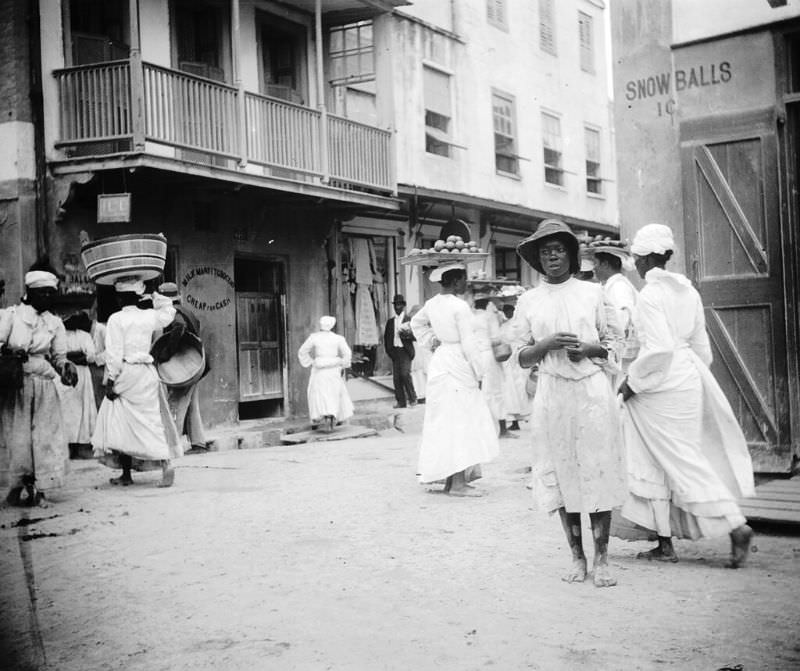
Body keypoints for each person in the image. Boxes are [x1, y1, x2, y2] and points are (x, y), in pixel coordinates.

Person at [616, 223, 755, 567]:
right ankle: (665, 543)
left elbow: (660, 348)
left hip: (661, 385)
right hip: (687, 376)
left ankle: (735, 524)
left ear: (648, 258)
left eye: (637, 257)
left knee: (675, 460)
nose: (637, 263)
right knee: (668, 458)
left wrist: (633, 382)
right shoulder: (688, 292)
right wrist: (689, 372)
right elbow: (701, 348)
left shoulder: (651, 295)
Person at [515, 219, 625, 587]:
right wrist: (545, 345)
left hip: (591, 391)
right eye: (545, 252)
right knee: (561, 471)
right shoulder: (529, 301)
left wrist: (590, 349)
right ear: (538, 259)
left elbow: (614, 342)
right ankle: (577, 557)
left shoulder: (592, 294)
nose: (552, 257)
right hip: (552, 393)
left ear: (570, 255)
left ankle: (603, 558)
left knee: (596, 467)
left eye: (558, 250)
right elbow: (520, 355)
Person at [411, 263, 499, 497]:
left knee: (445, 420)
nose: (466, 283)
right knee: (461, 420)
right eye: (464, 279)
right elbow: (469, 343)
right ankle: (458, 483)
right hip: (458, 360)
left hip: (441, 361)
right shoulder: (460, 306)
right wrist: (479, 371)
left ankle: (451, 480)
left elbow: (415, 323)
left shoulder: (431, 303)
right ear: (456, 280)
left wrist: (431, 341)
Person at [91, 278, 181, 487]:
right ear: (138, 295)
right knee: (151, 420)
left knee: (121, 421)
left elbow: (114, 353)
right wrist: (155, 296)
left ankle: (126, 474)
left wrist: (110, 381)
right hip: (147, 373)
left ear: (120, 297)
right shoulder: (149, 316)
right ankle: (165, 462)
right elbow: (169, 312)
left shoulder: (116, 319)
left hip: (127, 372)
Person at [0, 269, 77, 506]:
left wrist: (66, 367)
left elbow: (59, 357)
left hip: (43, 384)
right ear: (29, 292)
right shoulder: (11, 316)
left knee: (44, 437)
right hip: (16, 383)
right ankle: (16, 489)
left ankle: (41, 490)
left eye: (50, 293)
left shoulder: (54, 323)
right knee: (18, 438)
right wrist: (10, 351)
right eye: (43, 293)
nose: (47, 298)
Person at [153, 282, 209, 453]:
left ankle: (173, 445)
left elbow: (179, 327)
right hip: (194, 364)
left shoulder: (175, 313)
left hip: (183, 369)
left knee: (176, 405)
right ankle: (198, 443)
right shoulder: (187, 311)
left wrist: (168, 352)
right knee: (191, 404)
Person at [297, 315, 354, 432]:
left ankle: (325, 416)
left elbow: (302, 351)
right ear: (332, 325)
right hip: (333, 369)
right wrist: (343, 364)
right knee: (333, 393)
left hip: (320, 369)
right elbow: (347, 353)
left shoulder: (314, 337)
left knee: (321, 393)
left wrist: (311, 362)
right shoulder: (338, 338)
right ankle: (331, 417)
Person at [54, 311, 98, 458]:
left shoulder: (84, 336)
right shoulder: (58, 335)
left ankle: (77, 447)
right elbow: (57, 356)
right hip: (64, 374)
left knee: (81, 410)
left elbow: (90, 357)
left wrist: (71, 356)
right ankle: (65, 446)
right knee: (65, 409)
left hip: (82, 376)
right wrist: (76, 355)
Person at [592, 245, 639, 384]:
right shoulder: (612, 286)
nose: (593, 268)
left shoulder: (619, 287)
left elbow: (623, 318)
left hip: (623, 358)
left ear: (605, 264)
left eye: (596, 263)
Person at [471, 291, 513, 437]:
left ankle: (485, 428)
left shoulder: (472, 318)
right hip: (489, 356)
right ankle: (502, 429)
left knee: (483, 391)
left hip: (477, 357)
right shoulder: (490, 317)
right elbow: (495, 339)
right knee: (497, 391)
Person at [499, 303, 529, 431]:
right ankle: (513, 419)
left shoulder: (519, 324)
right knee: (510, 390)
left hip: (518, 358)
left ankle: (520, 416)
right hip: (507, 359)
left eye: (509, 310)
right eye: (505, 310)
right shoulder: (504, 325)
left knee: (520, 388)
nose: (507, 312)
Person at [383, 294, 417, 408]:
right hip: (395, 352)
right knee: (396, 378)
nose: (397, 307)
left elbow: (416, 336)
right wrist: (390, 351)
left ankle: (412, 398)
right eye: (395, 305)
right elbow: (387, 338)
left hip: (405, 351)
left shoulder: (409, 320)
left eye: (399, 304)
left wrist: (406, 335)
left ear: (403, 306)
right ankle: (401, 402)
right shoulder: (390, 322)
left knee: (405, 374)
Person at [407, 304, 430, 403]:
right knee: (416, 372)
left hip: (423, 349)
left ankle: (424, 394)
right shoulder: (410, 325)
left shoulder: (425, 325)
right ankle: (418, 394)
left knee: (424, 371)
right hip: (415, 348)